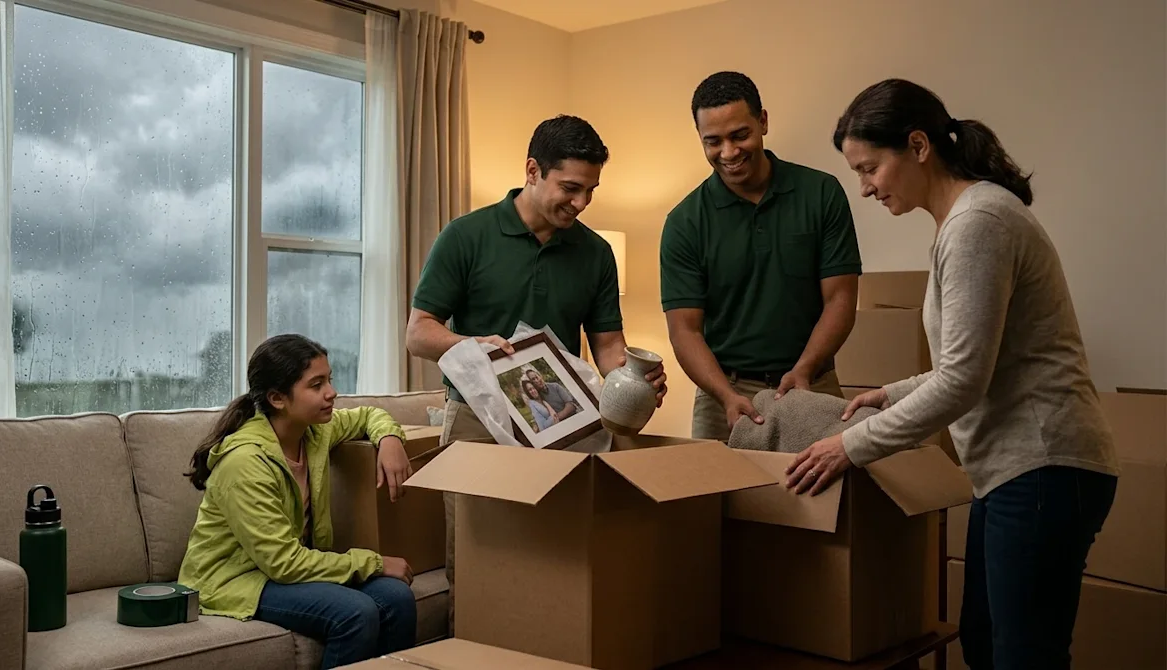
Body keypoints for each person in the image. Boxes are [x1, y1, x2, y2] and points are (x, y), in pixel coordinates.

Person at [785, 78, 1120, 670]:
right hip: (1015, 471)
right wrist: (889, 394)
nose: (864, 188)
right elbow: (969, 366)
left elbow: (963, 380)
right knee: (985, 642)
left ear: (917, 146)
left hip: (1044, 463)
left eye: (869, 169)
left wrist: (850, 447)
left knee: (1022, 657)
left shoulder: (977, 223)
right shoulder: (965, 220)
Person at [405, 114, 668, 633]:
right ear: (532, 170)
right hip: (477, 421)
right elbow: (419, 333)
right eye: (570, 188)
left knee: (554, 557)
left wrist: (635, 382)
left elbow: (609, 345)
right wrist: (471, 345)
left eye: (591, 190)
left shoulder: (595, 252)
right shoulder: (466, 236)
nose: (581, 203)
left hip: (560, 424)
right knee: (478, 561)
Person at [178, 334, 418, 670]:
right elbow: (283, 563)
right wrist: (374, 562)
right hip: (236, 579)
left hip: (281, 569)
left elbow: (368, 415)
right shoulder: (245, 462)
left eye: (329, 380)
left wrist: (390, 439)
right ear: (277, 398)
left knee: (398, 599)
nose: (331, 392)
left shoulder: (314, 432)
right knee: (356, 613)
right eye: (316, 385)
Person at [660, 71, 862, 442]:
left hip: (811, 381)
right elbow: (684, 331)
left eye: (740, 135)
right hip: (724, 391)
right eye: (713, 141)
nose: (729, 153)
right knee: (715, 499)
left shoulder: (821, 193)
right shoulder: (684, 222)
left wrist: (804, 370)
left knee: (832, 497)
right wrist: (725, 395)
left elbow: (841, 298)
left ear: (763, 121)